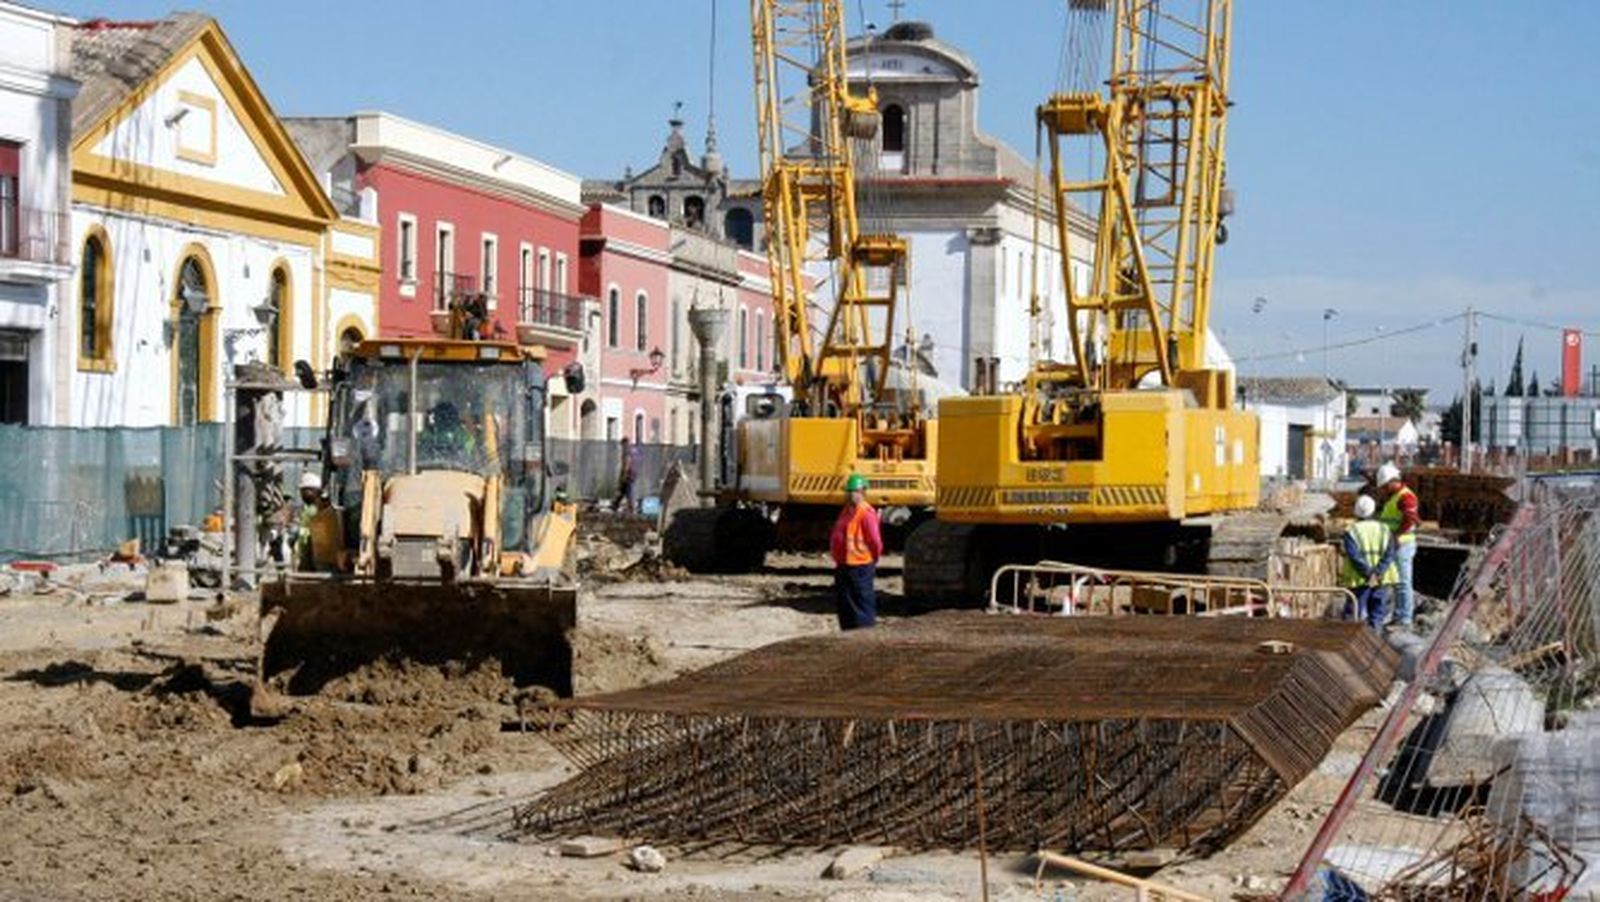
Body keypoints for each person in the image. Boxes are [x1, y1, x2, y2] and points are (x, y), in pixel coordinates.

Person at [829, 474, 883, 630]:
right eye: (849, 491)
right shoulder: (846, 511)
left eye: (855, 491)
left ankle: (864, 636)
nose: (851, 495)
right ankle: (848, 635)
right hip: (844, 564)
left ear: (863, 492)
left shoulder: (866, 513)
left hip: (861, 566)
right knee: (845, 605)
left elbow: (875, 541)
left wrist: (873, 558)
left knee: (861, 603)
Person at [1342, 495, 1399, 629]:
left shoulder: (1352, 530)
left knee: (1353, 614)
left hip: (1359, 580)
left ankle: (1350, 646)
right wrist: (1377, 573)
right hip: (1381, 579)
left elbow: (1354, 556)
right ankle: (1373, 643)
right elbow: (1390, 553)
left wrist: (1369, 574)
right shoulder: (1385, 529)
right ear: (1373, 511)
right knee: (1377, 615)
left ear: (1356, 512)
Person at [1375, 461, 1420, 628]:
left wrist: (1397, 534)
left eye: (1386, 486)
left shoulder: (1406, 496)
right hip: (1395, 543)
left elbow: (1410, 519)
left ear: (1394, 481)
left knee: (1402, 582)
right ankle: (1399, 615)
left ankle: (1405, 619)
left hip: (1402, 544)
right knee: (1394, 581)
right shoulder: (1395, 497)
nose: (1384, 490)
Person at [294, 470, 331, 571]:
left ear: (314, 491)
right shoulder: (310, 510)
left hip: (313, 555)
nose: (302, 494)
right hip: (308, 554)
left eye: (304, 491)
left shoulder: (317, 511)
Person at [613, 437, 637, 513]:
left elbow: (626, 465)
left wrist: (623, 476)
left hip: (628, 475)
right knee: (623, 491)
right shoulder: (633, 452)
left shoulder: (627, 453)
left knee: (628, 491)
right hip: (632, 474)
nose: (622, 447)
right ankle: (615, 505)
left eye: (622, 445)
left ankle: (631, 507)